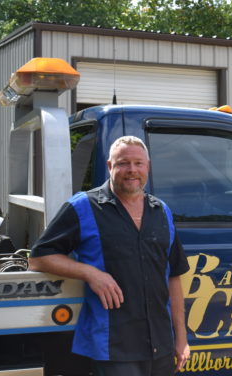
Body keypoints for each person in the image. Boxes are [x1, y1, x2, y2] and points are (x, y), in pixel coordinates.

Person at [29, 136, 190, 376]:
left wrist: (181, 338)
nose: (132, 170)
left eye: (138, 163)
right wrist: (91, 273)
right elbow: (39, 257)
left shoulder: (161, 211)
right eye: (123, 163)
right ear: (109, 166)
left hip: (160, 344)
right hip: (113, 347)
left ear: (148, 166)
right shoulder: (83, 206)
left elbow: (173, 276)